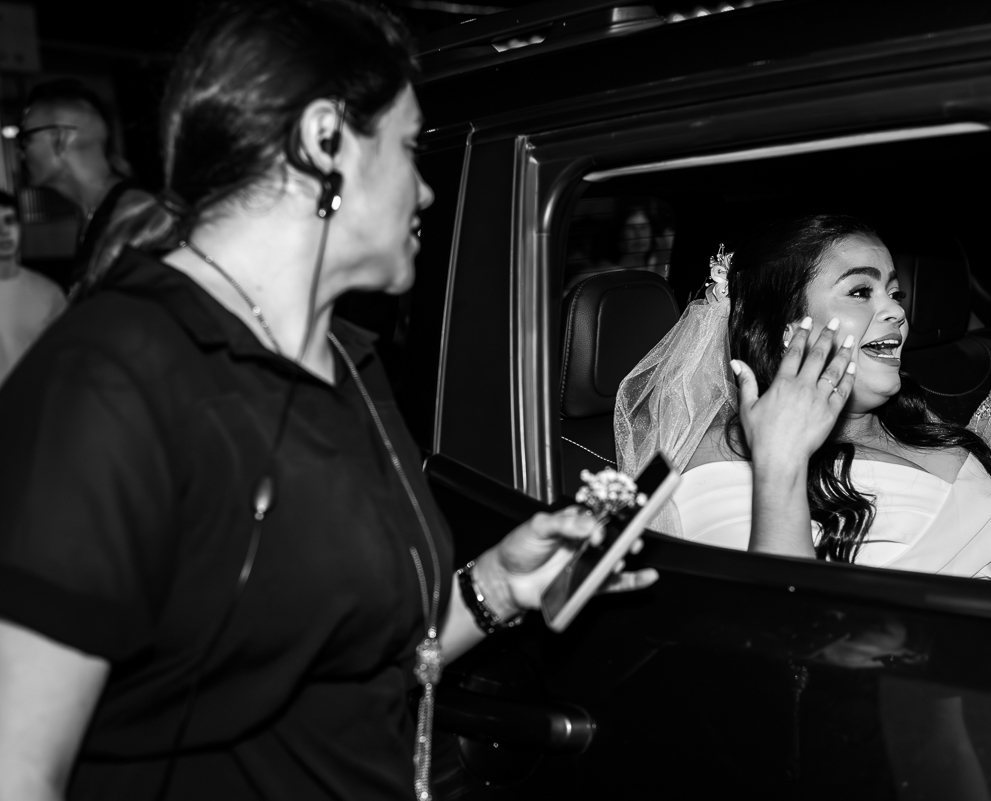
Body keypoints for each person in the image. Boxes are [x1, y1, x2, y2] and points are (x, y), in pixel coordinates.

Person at [0, 3, 654, 800]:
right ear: (323, 141)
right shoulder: (113, 375)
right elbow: (18, 763)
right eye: (410, 149)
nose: (425, 189)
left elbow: (360, 658)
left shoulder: (349, 356)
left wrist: (496, 586)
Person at [615, 214, 991, 582]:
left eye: (894, 292)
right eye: (859, 292)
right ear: (786, 332)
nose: (896, 310)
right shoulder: (718, 465)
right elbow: (780, 642)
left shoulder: (912, 422)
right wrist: (782, 464)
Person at [19, 78, 153, 289]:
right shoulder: (96, 213)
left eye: (26, 139)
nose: (21, 153)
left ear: (59, 138)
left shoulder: (136, 215)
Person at [0, 190, 66, 385]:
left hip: (30, 407)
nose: (3, 231)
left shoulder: (48, 293)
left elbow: (64, 361)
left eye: (10, 221)